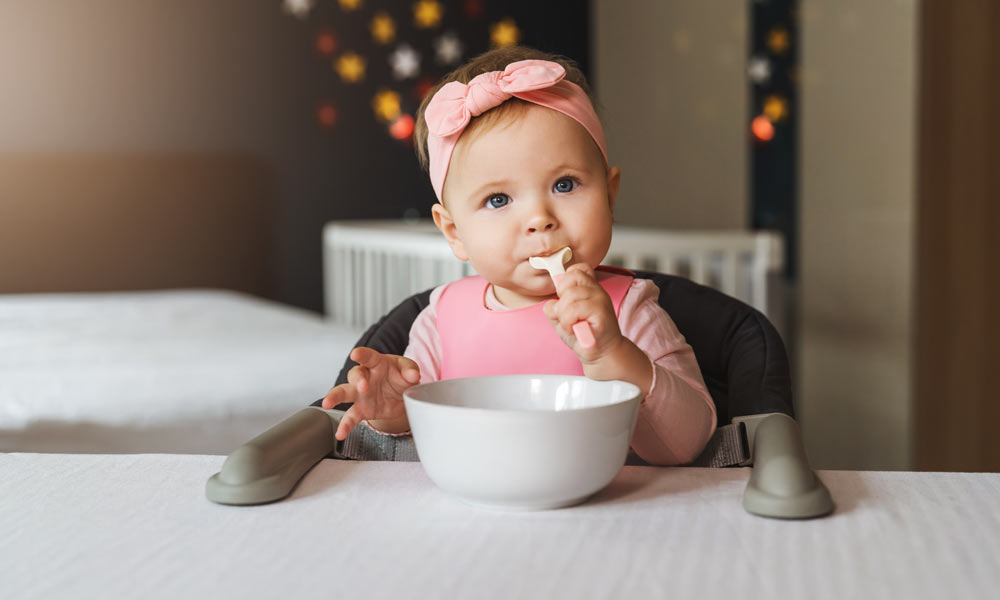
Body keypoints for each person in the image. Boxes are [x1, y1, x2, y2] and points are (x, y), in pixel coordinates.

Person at [322, 46, 716, 465]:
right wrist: (395, 413)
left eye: (564, 185)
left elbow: (690, 444)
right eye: (497, 199)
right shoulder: (441, 318)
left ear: (609, 195)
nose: (539, 219)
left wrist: (614, 355)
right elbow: (426, 435)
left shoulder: (628, 308)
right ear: (454, 232)